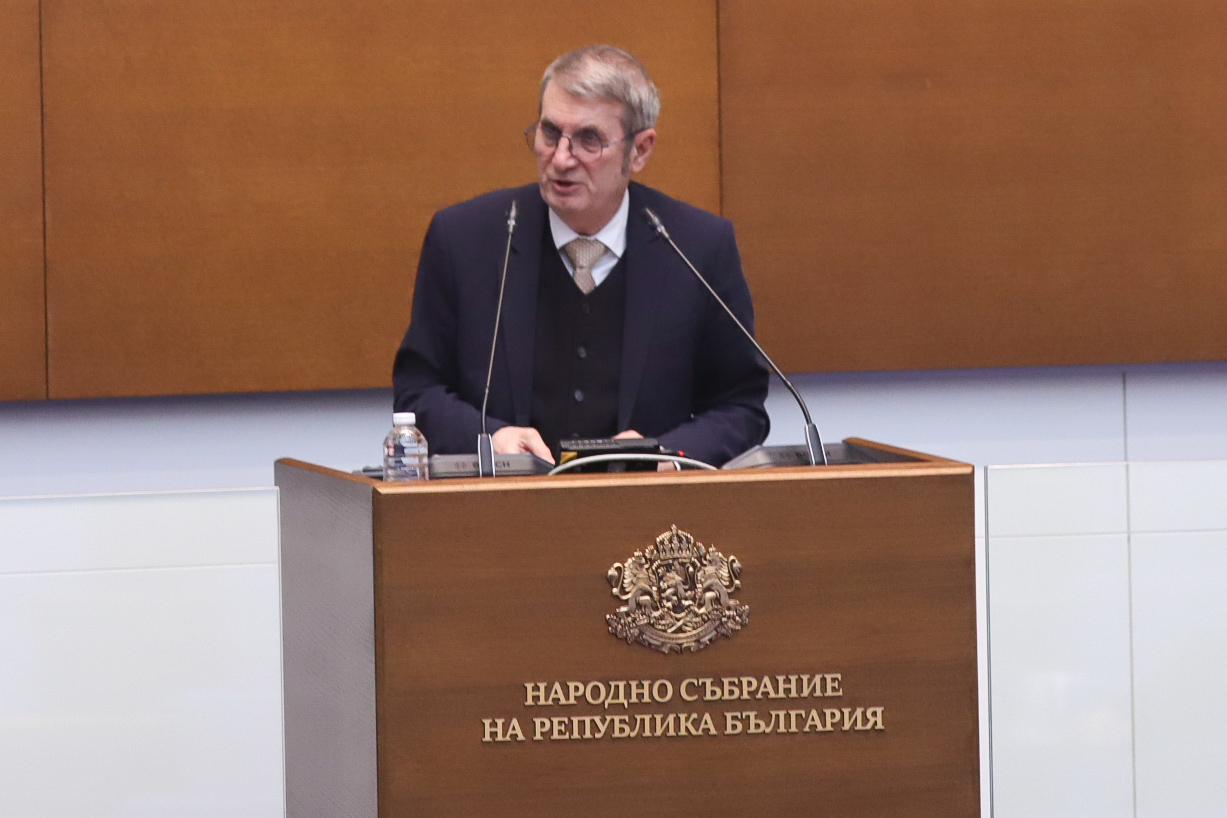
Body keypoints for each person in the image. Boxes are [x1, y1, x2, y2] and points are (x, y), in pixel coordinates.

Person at [392, 45, 769, 467]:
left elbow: (741, 408)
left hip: (646, 504)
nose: (561, 158)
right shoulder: (464, 239)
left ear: (640, 150)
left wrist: (668, 454)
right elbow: (417, 393)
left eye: (589, 139)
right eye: (550, 133)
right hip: (504, 500)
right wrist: (490, 439)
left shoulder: (697, 247)